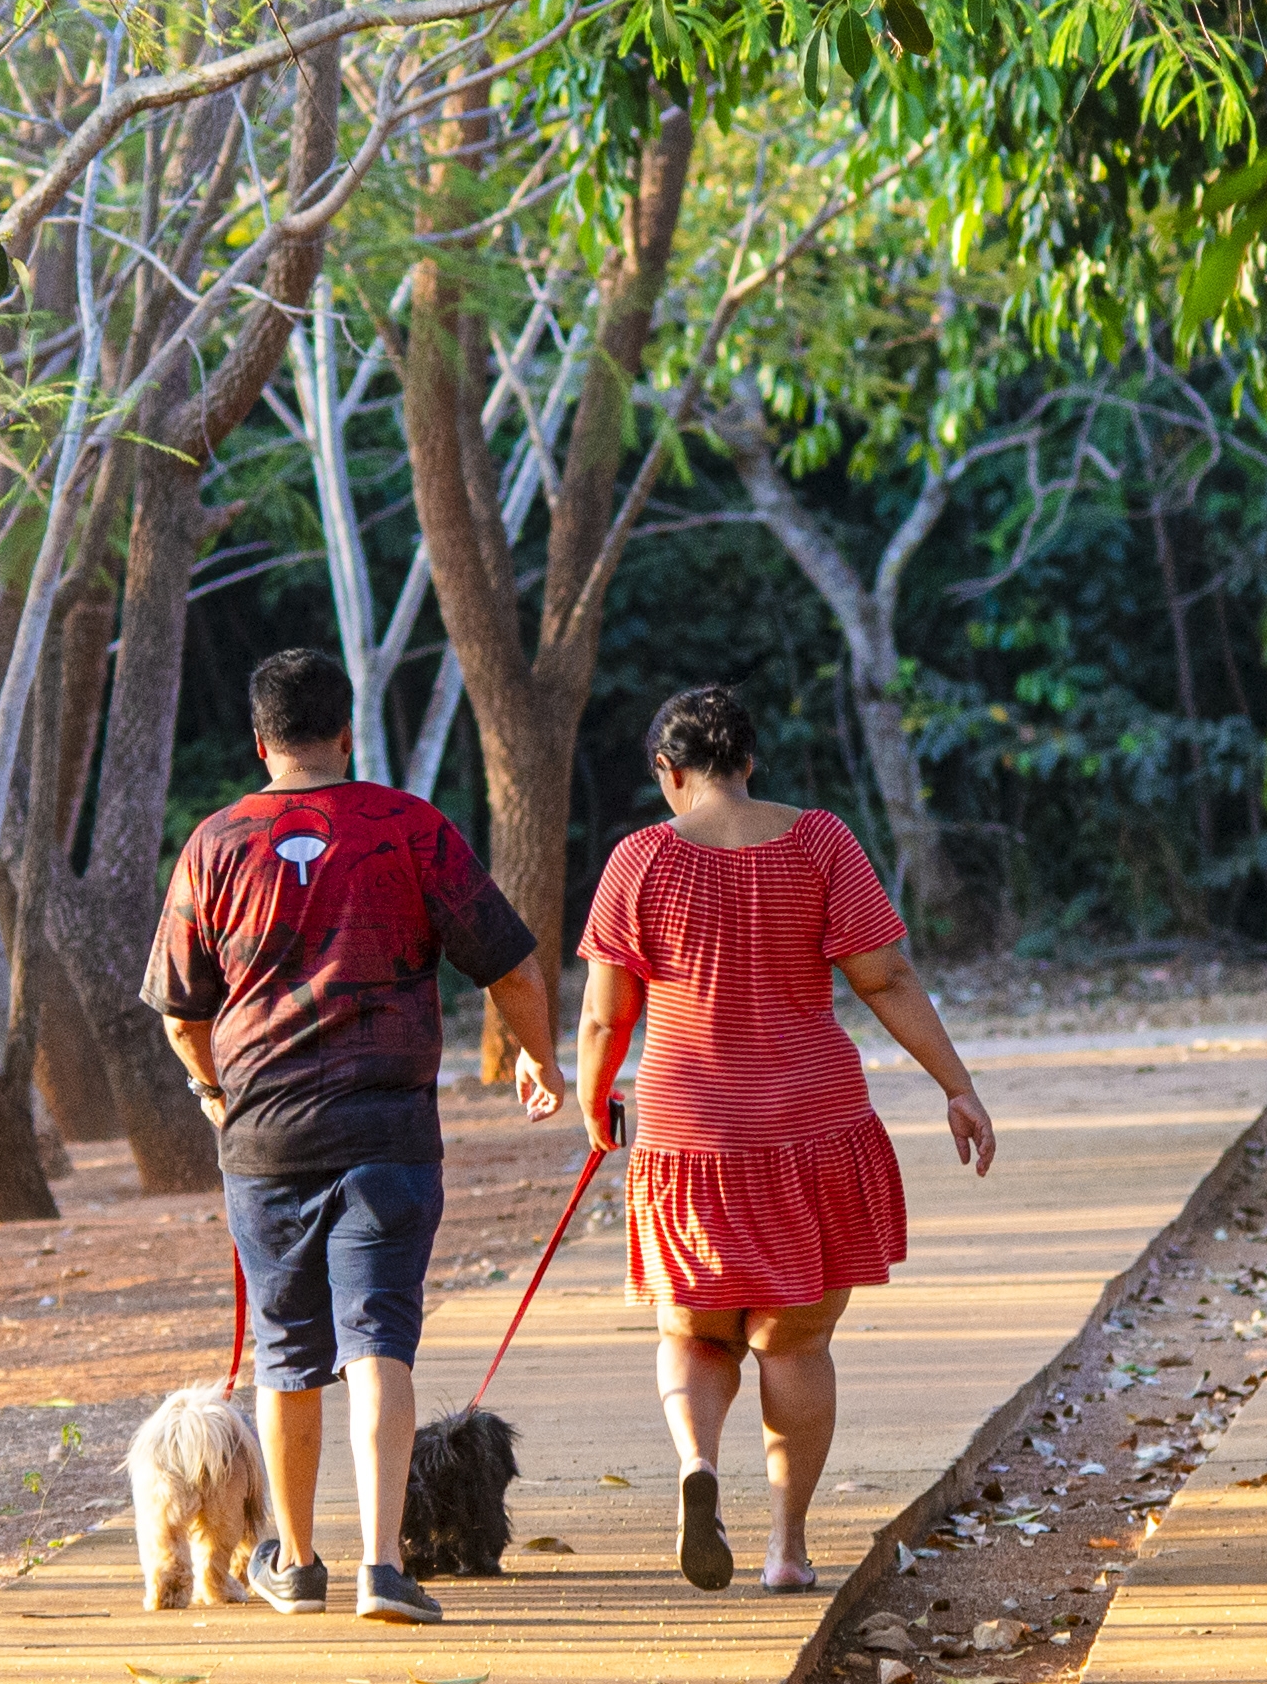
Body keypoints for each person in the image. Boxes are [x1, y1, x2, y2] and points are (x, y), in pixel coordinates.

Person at [145, 648, 557, 1623]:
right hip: (390, 1133)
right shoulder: (408, 828)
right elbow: (512, 964)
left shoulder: (215, 843)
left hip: (268, 1142)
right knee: (381, 1346)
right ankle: (384, 1564)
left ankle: (295, 1562)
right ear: (346, 734)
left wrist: (213, 1088)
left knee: (290, 1359)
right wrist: (537, 1057)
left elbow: (177, 1007)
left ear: (258, 742)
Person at [571, 681, 993, 1594]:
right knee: (793, 1346)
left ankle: (697, 1462)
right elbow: (885, 977)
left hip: (689, 1133)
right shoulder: (820, 840)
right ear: (749, 762)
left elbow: (607, 1018)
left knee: (694, 1332)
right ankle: (786, 1549)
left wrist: (592, 1102)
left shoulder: (638, 859)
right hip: (813, 1123)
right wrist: (956, 1087)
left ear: (667, 771)